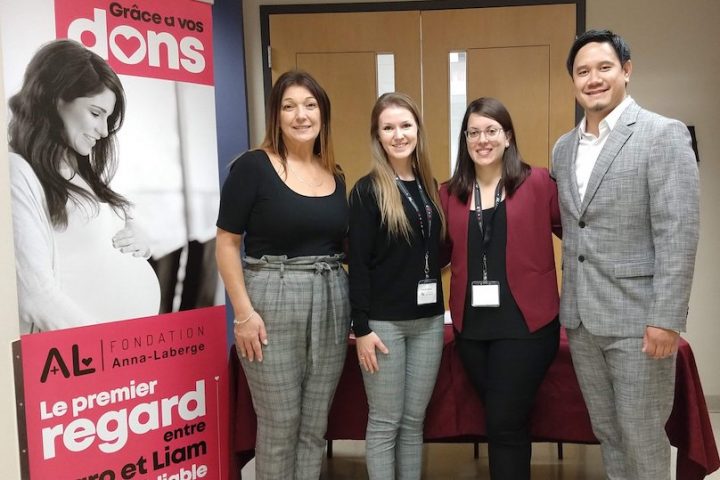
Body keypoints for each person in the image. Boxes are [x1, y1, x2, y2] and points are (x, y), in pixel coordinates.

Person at [551, 29, 700, 479]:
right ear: (573, 81)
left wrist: (666, 318)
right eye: (583, 71)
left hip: (639, 322)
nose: (593, 78)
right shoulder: (563, 148)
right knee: (609, 433)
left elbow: (679, 231)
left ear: (626, 72)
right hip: (580, 320)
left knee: (642, 434)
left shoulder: (662, 134)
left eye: (604, 67)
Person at [215, 70, 350, 480]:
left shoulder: (336, 174)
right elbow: (226, 243)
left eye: (310, 106)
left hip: (330, 297)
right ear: (276, 115)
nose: (301, 115)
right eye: (289, 106)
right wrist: (243, 314)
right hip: (271, 298)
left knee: (314, 427)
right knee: (278, 425)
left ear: (322, 114)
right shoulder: (252, 167)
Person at [440, 97, 561, 479]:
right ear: (465, 140)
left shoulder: (539, 182)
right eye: (473, 132)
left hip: (527, 326)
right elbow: (436, 252)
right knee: (505, 419)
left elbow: (581, 234)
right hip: (472, 329)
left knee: (504, 423)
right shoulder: (450, 193)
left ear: (507, 137)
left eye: (491, 130)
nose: (482, 139)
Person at [8, 39, 160, 333]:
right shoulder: (19, 173)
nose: (104, 131)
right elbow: (35, 294)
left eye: (108, 117)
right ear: (55, 99)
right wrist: (103, 345)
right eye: (95, 113)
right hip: (82, 358)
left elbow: (94, 238)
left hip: (121, 357)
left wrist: (139, 238)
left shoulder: (77, 165)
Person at [349, 92, 445, 480]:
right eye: (388, 128)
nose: (399, 135)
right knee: (386, 422)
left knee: (413, 422)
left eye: (405, 125)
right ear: (378, 135)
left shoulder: (428, 185)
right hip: (383, 326)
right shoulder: (367, 190)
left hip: (428, 322)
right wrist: (362, 329)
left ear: (418, 130)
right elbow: (357, 264)